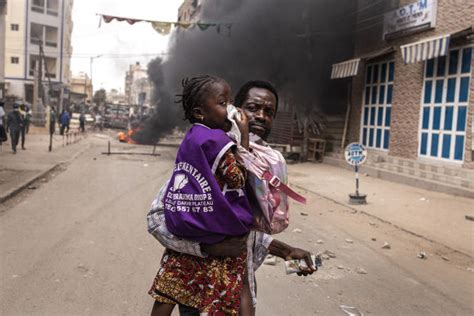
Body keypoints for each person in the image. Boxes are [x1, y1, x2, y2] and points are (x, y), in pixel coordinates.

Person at [148, 80, 316, 316]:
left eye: (269, 112)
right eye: (253, 107)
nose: (261, 116)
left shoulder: (269, 163)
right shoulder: (212, 152)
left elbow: (244, 230)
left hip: (235, 288)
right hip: (199, 291)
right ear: (236, 110)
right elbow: (157, 219)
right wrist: (208, 247)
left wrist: (285, 251)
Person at [148, 75, 255, 315]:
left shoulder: (191, 139)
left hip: (189, 223)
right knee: (234, 288)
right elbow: (237, 179)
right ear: (200, 112)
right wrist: (244, 136)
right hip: (218, 231)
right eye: (222, 102)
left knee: (169, 287)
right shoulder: (219, 143)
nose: (230, 109)